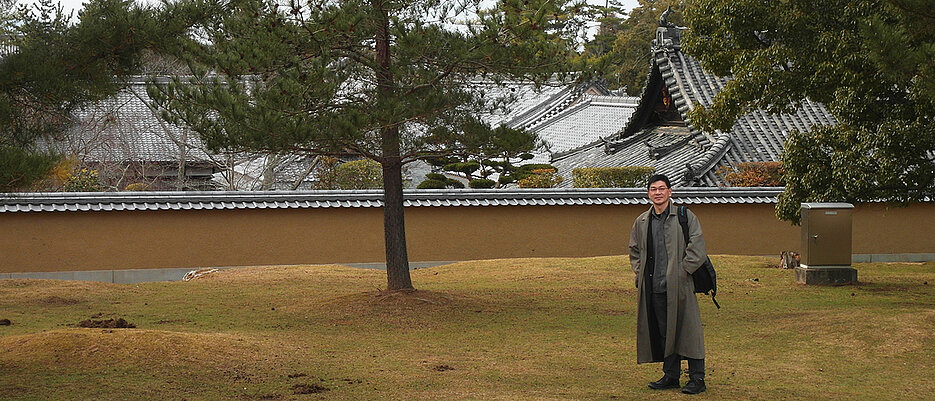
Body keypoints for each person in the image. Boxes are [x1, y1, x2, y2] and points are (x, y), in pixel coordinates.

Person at [629, 174, 708, 394]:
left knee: (689, 330)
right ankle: (671, 375)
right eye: (653, 189)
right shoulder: (642, 221)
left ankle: (697, 379)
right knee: (665, 333)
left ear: (670, 192)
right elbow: (634, 250)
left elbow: (698, 246)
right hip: (654, 287)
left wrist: (684, 270)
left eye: (662, 188)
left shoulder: (684, 216)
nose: (657, 193)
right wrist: (639, 271)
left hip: (680, 285)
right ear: (648, 193)